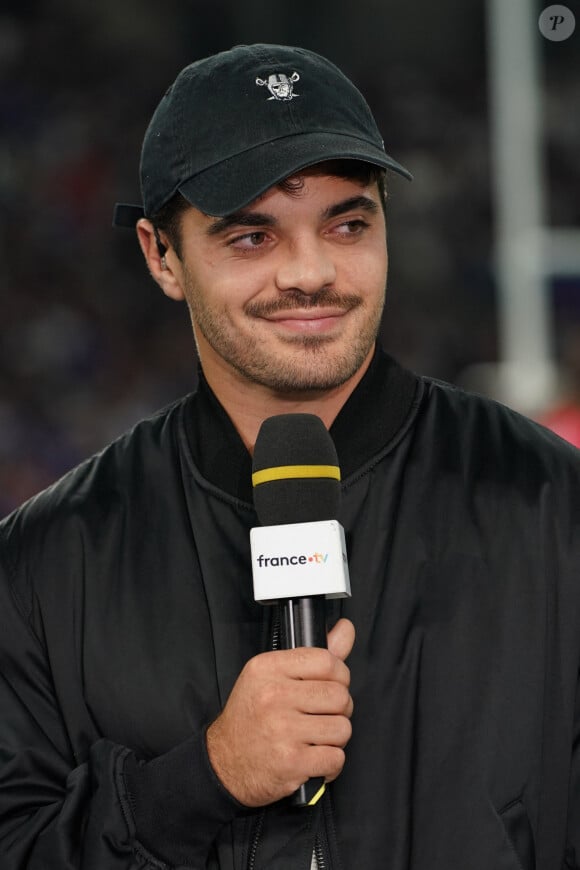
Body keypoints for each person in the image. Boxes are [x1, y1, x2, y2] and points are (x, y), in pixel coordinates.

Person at [0, 42, 579, 870]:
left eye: (347, 224)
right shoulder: (41, 568)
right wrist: (203, 780)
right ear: (160, 256)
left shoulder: (555, 508)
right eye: (251, 237)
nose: (312, 273)